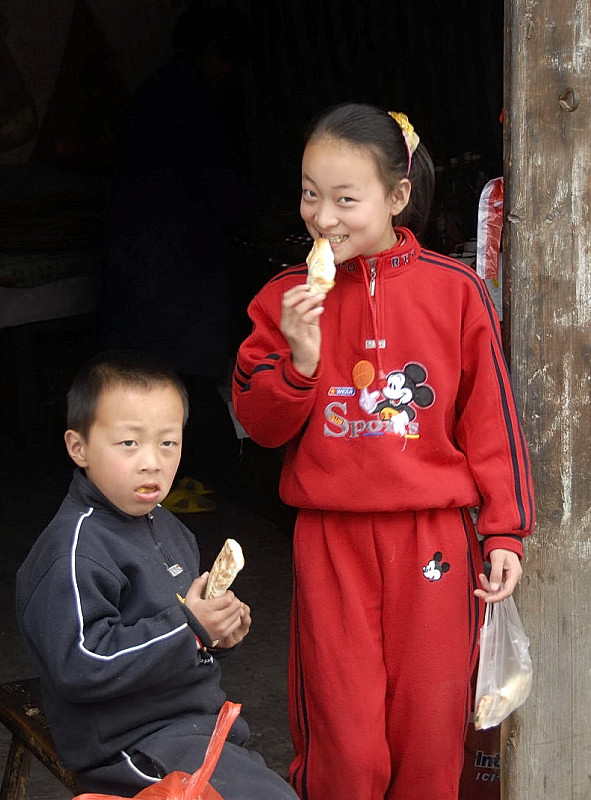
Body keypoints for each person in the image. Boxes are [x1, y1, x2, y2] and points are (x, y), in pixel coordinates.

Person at [231, 103, 535, 800]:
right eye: (310, 194)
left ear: (396, 197)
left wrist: (504, 528)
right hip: (330, 540)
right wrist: (301, 362)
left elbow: (491, 420)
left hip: (432, 541)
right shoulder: (284, 298)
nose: (322, 216)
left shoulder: (454, 292)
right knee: (345, 738)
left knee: (430, 731)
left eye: (345, 198)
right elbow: (258, 422)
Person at [15, 350, 298, 800]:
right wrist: (192, 629)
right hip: (125, 742)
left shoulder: (167, 526)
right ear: (78, 447)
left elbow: (174, 643)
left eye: (168, 443)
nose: (153, 462)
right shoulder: (76, 551)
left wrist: (216, 635)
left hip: (190, 722)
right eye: (129, 443)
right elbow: (83, 665)